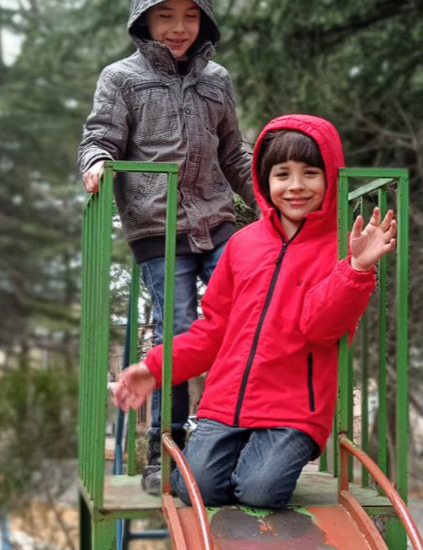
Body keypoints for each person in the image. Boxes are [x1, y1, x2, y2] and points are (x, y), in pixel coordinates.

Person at [112, 114, 397, 509]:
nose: (296, 186)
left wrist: (355, 269)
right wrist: (155, 367)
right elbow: (213, 329)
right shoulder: (243, 245)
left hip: (294, 410)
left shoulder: (339, 248)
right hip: (227, 403)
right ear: (265, 182)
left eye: (310, 173)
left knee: (260, 491)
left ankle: (262, 460)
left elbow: (319, 329)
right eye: (282, 174)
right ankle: (229, 453)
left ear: (330, 177)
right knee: (198, 490)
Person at [79, 0, 254, 494]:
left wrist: (271, 201)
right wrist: (98, 164)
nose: (178, 28)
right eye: (165, 15)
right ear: (145, 18)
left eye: (189, 15)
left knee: (248, 311)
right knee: (177, 329)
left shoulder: (216, 81)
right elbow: (99, 137)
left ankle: (234, 432)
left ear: (203, 18)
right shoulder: (122, 79)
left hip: (217, 218)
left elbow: (235, 153)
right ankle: (166, 447)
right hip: (159, 226)